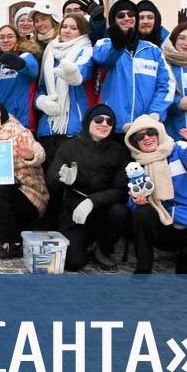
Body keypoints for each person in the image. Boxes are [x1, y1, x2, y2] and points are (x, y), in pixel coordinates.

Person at [124, 115, 187, 274]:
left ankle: (183, 272)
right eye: (139, 136)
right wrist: (136, 201)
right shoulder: (136, 166)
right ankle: (143, 271)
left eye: (151, 132)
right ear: (134, 142)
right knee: (142, 214)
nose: (147, 138)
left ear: (159, 132)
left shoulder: (177, 149)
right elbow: (132, 199)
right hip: (161, 222)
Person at [46, 104, 129, 271]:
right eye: (99, 119)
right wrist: (63, 179)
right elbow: (51, 178)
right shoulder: (69, 146)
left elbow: (121, 190)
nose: (104, 124)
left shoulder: (119, 151)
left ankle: (103, 249)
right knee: (73, 263)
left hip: (104, 210)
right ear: (88, 121)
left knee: (120, 211)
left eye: (109, 121)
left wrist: (93, 201)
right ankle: (84, 243)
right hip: (75, 211)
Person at [0, 100, 48, 259]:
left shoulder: (19, 133)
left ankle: (11, 243)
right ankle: (2, 237)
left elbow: (40, 153)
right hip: (0, 196)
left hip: (28, 194)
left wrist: (30, 155)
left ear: (1, 117)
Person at [92, 0, 173, 133]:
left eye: (131, 14)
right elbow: (103, 59)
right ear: (113, 20)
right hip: (112, 127)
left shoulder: (153, 50)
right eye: (120, 15)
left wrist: (153, 115)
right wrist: (117, 46)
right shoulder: (104, 44)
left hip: (145, 129)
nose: (126, 18)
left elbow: (166, 84)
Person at [35, 14, 93, 141]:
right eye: (64, 26)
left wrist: (74, 74)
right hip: (47, 127)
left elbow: (84, 71)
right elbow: (41, 87)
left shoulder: (86, 50)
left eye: (73, 28)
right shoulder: (51, 51)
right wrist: (41, 101)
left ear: (82, 31)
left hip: (75, 126)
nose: (67, 31)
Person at [0, 24, 40, 130]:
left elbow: (32, 69)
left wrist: (19, 64)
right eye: (1, 37)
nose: (5, 40)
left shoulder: (25, 56)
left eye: (10, 36)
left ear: (17, 39)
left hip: (20, 122)